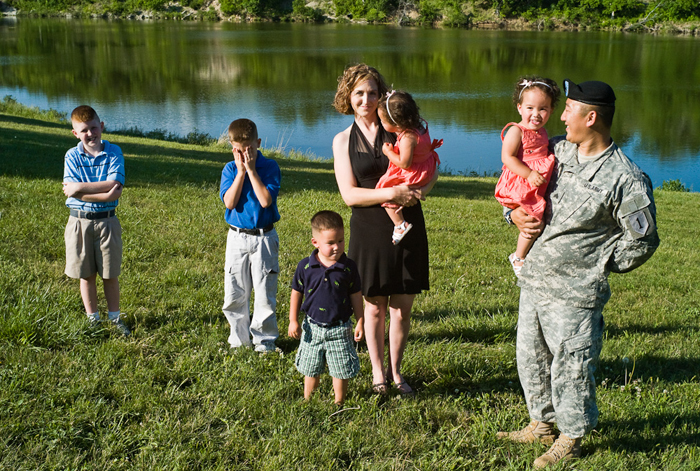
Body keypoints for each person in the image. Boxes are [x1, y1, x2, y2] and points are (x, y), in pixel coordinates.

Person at [497, 80, 659, 468]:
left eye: (568, 109)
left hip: (575, 294)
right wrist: (511, 214)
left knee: (571, 367)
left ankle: (571, 437)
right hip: (534, 278)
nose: (561, 116)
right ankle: (541, 422)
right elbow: (517, 185)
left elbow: (643, 240)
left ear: (592, 117)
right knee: (531, 358)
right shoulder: (554, 149)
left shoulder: (625, 178)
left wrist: (598, 265)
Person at [331, 64, 435, 396]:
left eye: (372, 92)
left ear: (382, 96)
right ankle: (377, 374)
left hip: (408, 224)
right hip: (369, 230)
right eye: (359, 93)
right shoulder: (342, 140)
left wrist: (423, 189)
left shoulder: (399, 128)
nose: (366, 99)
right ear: (348, 96)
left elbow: (431, 166)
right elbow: (349, 195)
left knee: (402, 307)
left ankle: (396, 372)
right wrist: (390, 193)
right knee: (374, 306)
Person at [62, 105, 129, 336]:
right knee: (86, 274)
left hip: (107, 222)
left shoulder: (114, 152)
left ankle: (115, 318)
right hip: (78, 223)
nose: (90, 134)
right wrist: (105, 195)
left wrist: (79, 188)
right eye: (84, 130)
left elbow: (114, 185)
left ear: (101, 126)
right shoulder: (71, 156)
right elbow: (106, 190)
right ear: (75, 134)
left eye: (93, 128)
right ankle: (93, 320)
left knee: (110, 274)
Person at [288, 211, 365, 406]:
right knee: (311, 368)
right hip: (312, 328)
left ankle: (339, 402)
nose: (337, 247)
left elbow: (356, 294)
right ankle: (309, 400)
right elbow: (296, 292)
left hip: (340, 327)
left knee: (340, 369)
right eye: (330, 243)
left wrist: (361, 321)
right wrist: (293, 320)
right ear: (315, 242)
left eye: (340, 240)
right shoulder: (305, 267)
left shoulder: (348, 268)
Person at [220, 118, 281, 353]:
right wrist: (240, 173)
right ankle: (239, 340)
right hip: (237, 237)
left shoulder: (270, 167)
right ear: (231, 147)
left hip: (264, 238)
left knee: (265, 291)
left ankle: (264, 342)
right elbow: (229, 201)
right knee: (235, 290)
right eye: (238, 150)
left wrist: (252, 171)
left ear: (258, 143)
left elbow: (266, 201)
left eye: (249, 150)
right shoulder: (229, 169)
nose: (244, 155)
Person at [494, 76, 560, 277]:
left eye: (543, 109)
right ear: (519, 107)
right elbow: (507, 158)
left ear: (551, 111)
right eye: (530, 108)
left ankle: (523, 254)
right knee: (533, 221)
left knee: (537, 220)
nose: (536, 114)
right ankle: (519, 257)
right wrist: (529, 173)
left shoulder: (542, 132)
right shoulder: (517, 130)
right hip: (520, 182)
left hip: (534, 185)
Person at [375, 90, 442, 245]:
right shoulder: (420, 126)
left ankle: (400, 224)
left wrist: (388, 152)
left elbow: (404, 163)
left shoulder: (408, 137)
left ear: (396, 124)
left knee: (383, 190)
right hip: (427, 166)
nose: (381, 123)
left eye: (383, 121)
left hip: (415, 173)